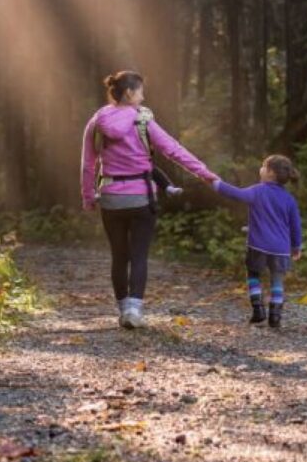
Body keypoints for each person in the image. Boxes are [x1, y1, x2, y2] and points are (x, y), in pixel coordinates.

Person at [81, 70, 218, 328]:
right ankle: (135, 311)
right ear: (130, 93)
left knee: (119, 256)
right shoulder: (142, 120)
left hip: (110, 198)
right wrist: (205, 174)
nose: (143, 97)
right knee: (139, 255)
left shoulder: (97, 121)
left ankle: (123, 311)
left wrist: (89, 196)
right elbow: (174, 150)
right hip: (141, 198)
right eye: (141, 91)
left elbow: (88, 164)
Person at [212, 155, 303, 328]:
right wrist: (296, 246)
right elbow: (295, 225)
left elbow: (236, 194)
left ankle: (258, 309)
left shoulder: (258, 191)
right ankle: (275, 315)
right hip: (281, 249)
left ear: (269, 172)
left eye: (263, 166)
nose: (260, 169)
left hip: (258, 245)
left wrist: (216, 183)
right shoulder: (289, 199)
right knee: (277, 279)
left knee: (253, 274)